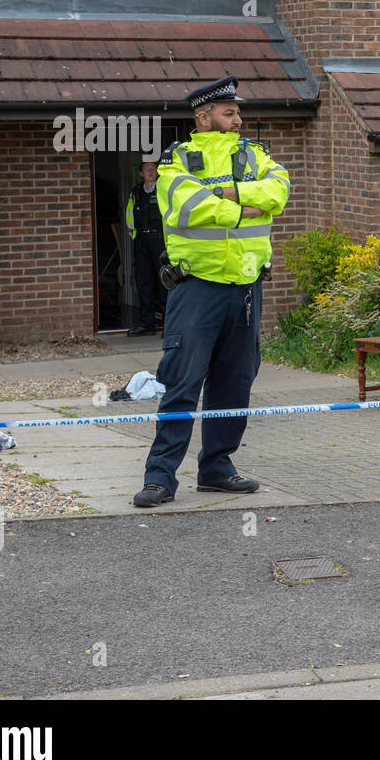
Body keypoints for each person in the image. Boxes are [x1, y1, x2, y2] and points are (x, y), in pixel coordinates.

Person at [133, 75, 291, 507]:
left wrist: (223, 192)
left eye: (238, 112)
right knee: (182, 382)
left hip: (245, 289)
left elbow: (279, 190)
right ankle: (160, 477)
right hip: (196, 288)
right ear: (204, 118)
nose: (238, 119)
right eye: (229, 113)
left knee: (235, 384)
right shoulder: (176, 160)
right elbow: (186, 206)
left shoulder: (256, 155)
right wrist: (244, 207)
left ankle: (217, 469)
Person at [124, 158, 167, 337]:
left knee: (164, 282)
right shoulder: (135, 193)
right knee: (144, 282)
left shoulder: (164, 190)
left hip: (160, 241)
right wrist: (134, 235)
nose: (151, 172)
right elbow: (129, 216)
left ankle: (168, 325)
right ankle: (146, 325)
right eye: (147, 170)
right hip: (141, 241)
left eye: (153, 169)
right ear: (141, 173)